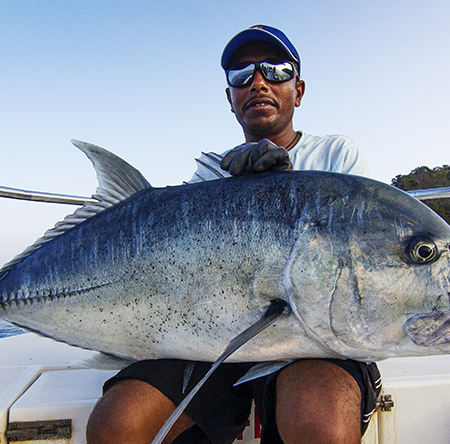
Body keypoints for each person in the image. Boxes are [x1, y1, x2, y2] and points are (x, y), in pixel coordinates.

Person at [87, 25, 380, 444]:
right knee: (117, 423)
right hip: (215, 340)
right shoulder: (209, 178)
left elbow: (355, 257)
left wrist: (283, 181)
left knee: (320, 426)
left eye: (275, 70)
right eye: (241, 75)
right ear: (230, 98)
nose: (258, 82)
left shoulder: (336, 155)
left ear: (298, 90)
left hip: (316, 339)